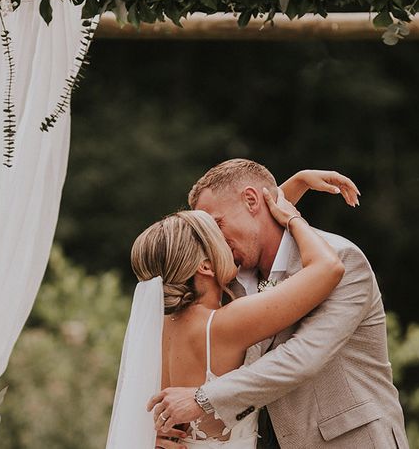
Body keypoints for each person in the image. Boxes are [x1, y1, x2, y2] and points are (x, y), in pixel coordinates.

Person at [149, 159, 408, 449]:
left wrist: (203, 399)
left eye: (217, 224)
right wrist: (158, 430)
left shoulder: (344, 259)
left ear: (251, 199)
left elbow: (302, 355)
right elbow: (261, 217)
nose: (215, 240)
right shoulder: (233, 273)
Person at [109, 180, 344, 449]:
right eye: (219, 238)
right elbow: (328, 267)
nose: (230, 243)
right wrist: (293, 218)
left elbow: (256, 226)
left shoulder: (157, 328)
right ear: (206, 266)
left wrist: (296, 182)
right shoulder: (224, 324)